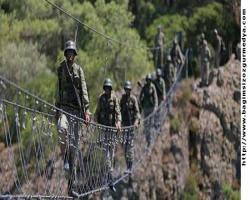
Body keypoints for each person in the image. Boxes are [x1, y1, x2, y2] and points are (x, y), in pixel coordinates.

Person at [55, 40, 90, 195]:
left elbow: (83, 89)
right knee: (61, 129)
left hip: (76, 111)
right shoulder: (60, 69)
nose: (70, 54)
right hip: (64, 109)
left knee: (75, 148)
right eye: (68, 52)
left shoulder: (79, 70)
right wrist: (55, 108)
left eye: (72, 52)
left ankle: (71, 186)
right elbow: (58, 89)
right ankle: (65, 157)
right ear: (66, 53)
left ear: (75, 54)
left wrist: (86, 111)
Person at [94, 78, 121, 189]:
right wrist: (95, 123)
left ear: (111, 89)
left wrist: (119, 122)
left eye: (108, 88)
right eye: (105, 88)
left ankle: (108, 176)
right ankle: (110, 178)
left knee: (111, 153)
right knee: (106, 155)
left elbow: (118, 112)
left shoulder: (114, 98)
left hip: (112, 131)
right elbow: (96, 113)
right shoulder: (101, 98)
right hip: (104, 130)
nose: (107, 90)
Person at [120, 81, 140, 173]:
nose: (127, 91)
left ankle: (130, 167)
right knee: (125, 147)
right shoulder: (123, 99)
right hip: (124, 126)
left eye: (128, 89)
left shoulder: (133, 99)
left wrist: (136, 122)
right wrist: (119, 122)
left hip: (131, 126)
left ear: (130, 90)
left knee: (130, 146)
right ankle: (127, 164)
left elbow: (137, 113)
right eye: (126, 89)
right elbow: (119, 111)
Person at [139, 74, 158, 146]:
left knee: (151, 123)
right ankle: (147, 139)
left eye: (149, 80)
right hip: (146, 108)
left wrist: (155, 107)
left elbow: (155, 97)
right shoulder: (144, 87)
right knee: (146, 124)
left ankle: (150, 139)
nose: (148, 81)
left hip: (151, 108)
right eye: (147, 80)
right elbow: (140, 97)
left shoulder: (152, 87)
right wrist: (141, 105)